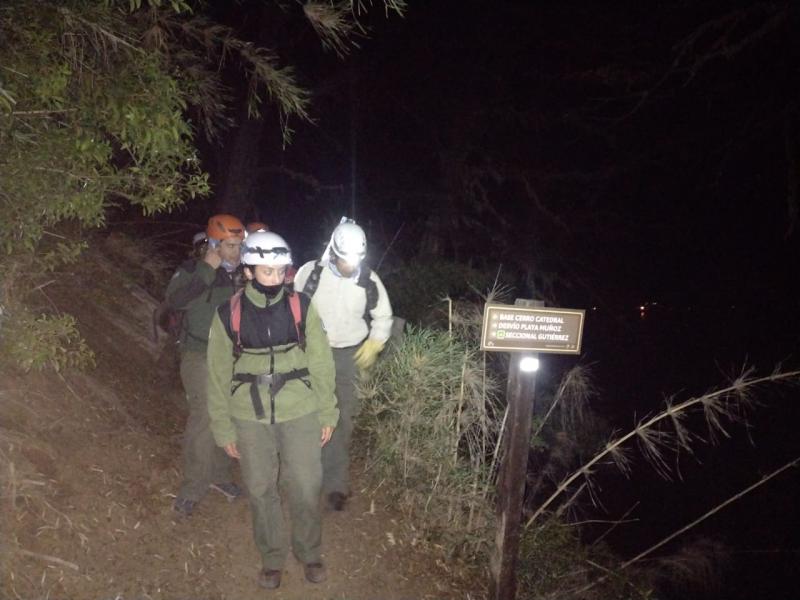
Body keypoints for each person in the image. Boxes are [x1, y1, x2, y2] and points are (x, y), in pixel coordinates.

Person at [206, 231, 338, 589]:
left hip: (300, 408)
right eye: (267, 271)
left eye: (281, 271)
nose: (275, 278)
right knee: (260, 487)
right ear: (248, 271)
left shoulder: (301, 306)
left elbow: (321, 362)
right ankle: (272, 557)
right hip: (249, 415)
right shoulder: (228, 314)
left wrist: (328, 411)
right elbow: (217, 374)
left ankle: (309, 551)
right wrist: (223, 427)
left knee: (307, 484)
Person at [294, 218, 393, 511]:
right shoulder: (311, 273)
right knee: (308, 414)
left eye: (357, 259)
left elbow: (384, 317)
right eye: (347, 259)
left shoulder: (369, 280)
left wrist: (374, 343)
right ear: (334, 252)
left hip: (351, 356)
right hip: (314, 352)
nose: (352, 265)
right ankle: (305, 475)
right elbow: (291, 307)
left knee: (343, 419)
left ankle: (335, 484)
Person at [166, 213, 246, 517]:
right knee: (205, 416)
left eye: (239, 246)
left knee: (227, 415)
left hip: (232, 356)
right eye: (230, 246)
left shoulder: (243, 274)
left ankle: (220, 475)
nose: (236, 253)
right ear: (214, 244)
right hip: (198, 353)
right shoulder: (193, 269)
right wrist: (205, 270)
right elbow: (175, 301)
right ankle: (192, 488)